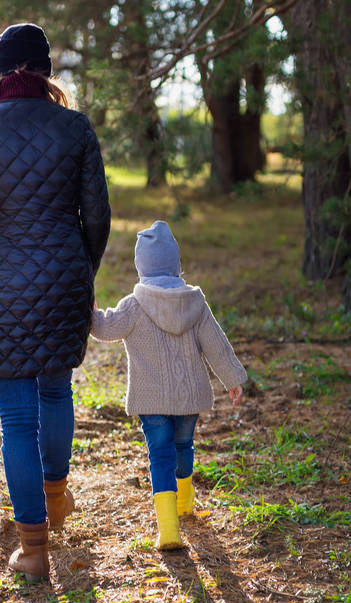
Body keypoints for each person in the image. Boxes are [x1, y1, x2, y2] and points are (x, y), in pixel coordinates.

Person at [0, 22, 110, 582]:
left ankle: (34, 549)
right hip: (66, 274)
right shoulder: (76, 127)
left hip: (3, 281)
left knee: (16, 417)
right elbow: (99, 217)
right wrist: (79, 271)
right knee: (56, 387)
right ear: (45, 70)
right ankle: (56, 494)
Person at [90, 220, 246, 550]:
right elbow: (217, 346)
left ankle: (169, 528)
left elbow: (106, 329)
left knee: (159, 456)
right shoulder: (195, 302)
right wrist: (233, 380)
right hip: (189, 398)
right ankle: (185, 504)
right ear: (176, 264)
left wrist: (90, 313)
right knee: (183, 446)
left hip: (152, 400)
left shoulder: (134, 305)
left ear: (141, 267)